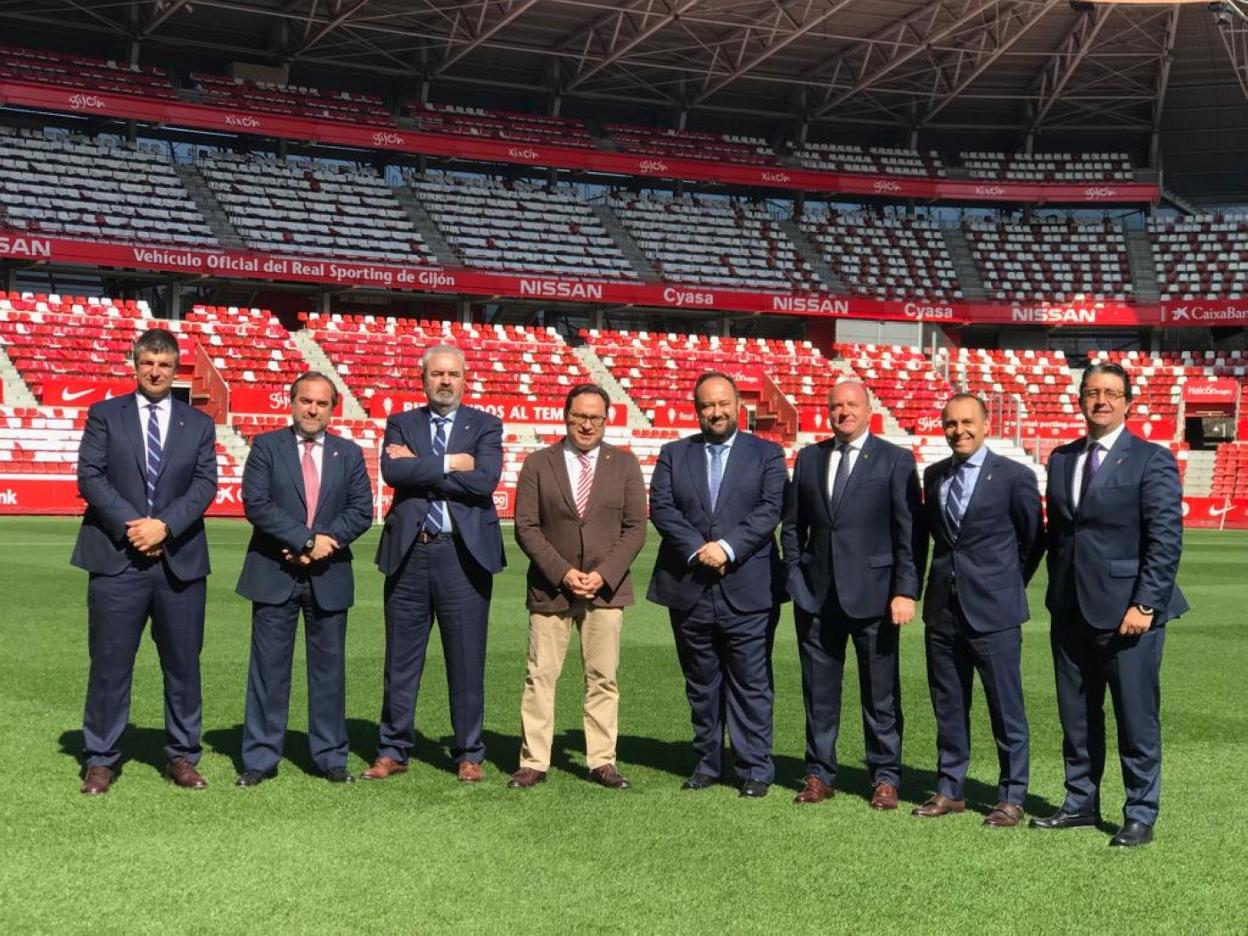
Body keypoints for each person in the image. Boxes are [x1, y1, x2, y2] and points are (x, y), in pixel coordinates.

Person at [1032, 362, 1187, 847]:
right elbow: (1060, 534)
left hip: (1129, 614)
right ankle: (1080, 802)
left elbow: (1165, 539)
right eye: (1092, 392)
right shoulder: (1060, 458)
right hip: (1071, 608)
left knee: (1135, 717)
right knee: (1076, 716)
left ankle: (1139, 812)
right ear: (1080, 399)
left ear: (1127, 401)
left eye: (1111, 393)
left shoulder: (1150, 459)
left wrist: (1145, 604)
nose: (1101, 400)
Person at [72, 327, 218, 794]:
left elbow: (204, 485)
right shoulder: (105, 415)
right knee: (110, 663)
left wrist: (165, 526)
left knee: (183, 665)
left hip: (179, 561)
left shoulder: (197, 423)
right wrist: (135, 525)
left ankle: (182, 755)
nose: (156, 371)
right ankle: (101, 758)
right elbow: (90, 476)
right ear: (134, 364)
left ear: (176, 370)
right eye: (148, 363)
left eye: (165, 365)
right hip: (117, 560)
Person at [364, 344, 505, 783]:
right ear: (423, 379)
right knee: (401, 660)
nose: (445, 381)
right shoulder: (401, 422)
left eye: (453, 375)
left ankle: (468, 753)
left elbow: (484, 480)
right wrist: (450, 463)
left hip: (463, 555)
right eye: (437, 374)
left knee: (466, 659)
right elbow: (394, 474)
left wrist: (422, 466)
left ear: (465, 379)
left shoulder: (485, 424)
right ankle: (393, 749)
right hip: (410, 553)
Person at [781, 380, 924, 809]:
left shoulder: (896, 460)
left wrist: (905, 590)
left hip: (876, 598)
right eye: (836, 405)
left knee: (881, 694)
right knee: (818, 693)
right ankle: (819, 774)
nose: (843, 411)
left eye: (851, 404)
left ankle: (885, 776)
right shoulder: (809, 458)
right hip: (817, 598)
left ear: (868, 409)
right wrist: (795, 578)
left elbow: (909, 534)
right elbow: (791, 527)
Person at [648, 372, 786, 798]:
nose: (716, 412)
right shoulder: (674, 453)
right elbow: (662, 507)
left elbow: (771, 509)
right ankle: (708, 763)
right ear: (696, 409)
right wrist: (698, 548)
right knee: (701, 682)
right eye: (707, 405)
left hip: (748, 587)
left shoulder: (767, 453)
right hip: (689, 585)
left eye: (723, 403)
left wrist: (726, 548)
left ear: (737, 404)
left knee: (751, 682)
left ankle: (755, 769)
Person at [234, 372, 373, 787]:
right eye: (305, 401)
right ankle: (260, 758)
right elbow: (256, 504)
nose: (313, 410)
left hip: (329, 573)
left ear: (333, 408)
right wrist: (306, 540)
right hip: (275, 570)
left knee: (328, 670)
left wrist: (323, 544)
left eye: (322, 403)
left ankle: (330, 756)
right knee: (268, 670)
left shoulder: (348, 453)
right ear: (290, 402)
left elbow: (361, 510)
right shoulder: (267, 446)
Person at [508, 384, 647, 790]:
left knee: (603, 677)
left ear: (607, 420)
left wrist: (603, 574)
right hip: (551, 589)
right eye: (579, 416)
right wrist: (563, 572)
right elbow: (526, 528)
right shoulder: (538, 464)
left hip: (607, 590)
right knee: (540, 677)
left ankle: (601, 760)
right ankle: (534, 760)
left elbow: (636, 529)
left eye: (595, 417)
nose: (587, 424)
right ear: (565, 416)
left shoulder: (625, 466)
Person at [914, 393, 1044, 826]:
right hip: (942, 612)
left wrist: (1006, 584)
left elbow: (1031, 541)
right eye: (951, 423)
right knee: (948, 705)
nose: (959, 430)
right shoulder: (933, 476)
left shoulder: (1014, 476)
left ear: (987, 424)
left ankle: (1011, 796)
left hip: (995, 612)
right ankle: (951, 789)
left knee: (1005, 708)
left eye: (968, 422)